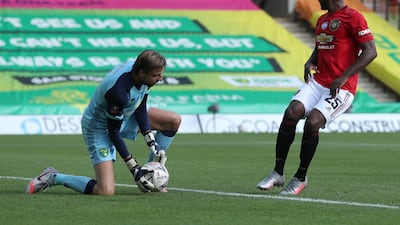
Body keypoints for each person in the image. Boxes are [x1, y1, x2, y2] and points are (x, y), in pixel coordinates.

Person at [257, 0, 377, 195]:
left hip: (342, 87)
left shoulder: (353, 17)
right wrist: (311, 61)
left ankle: (300, 177)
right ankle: (277, 172)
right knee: (291, 112)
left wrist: (345, 75)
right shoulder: (322, 19)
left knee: (312, 122)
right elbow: (322, 46)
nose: (318, 1)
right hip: (319, 81)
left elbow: (371, 51)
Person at [25, 50, 181, 195]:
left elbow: (141, 103)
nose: (160, 78)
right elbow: (113, 132)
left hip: (125, 113)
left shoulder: (141, 69)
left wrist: (151, 140)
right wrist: (133, 168)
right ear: (141, 72)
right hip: (99, 127)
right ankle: (53, 177)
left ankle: (150, 176)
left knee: (173, 121)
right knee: (105, 191)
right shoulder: (118, 92)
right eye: (157, 75)